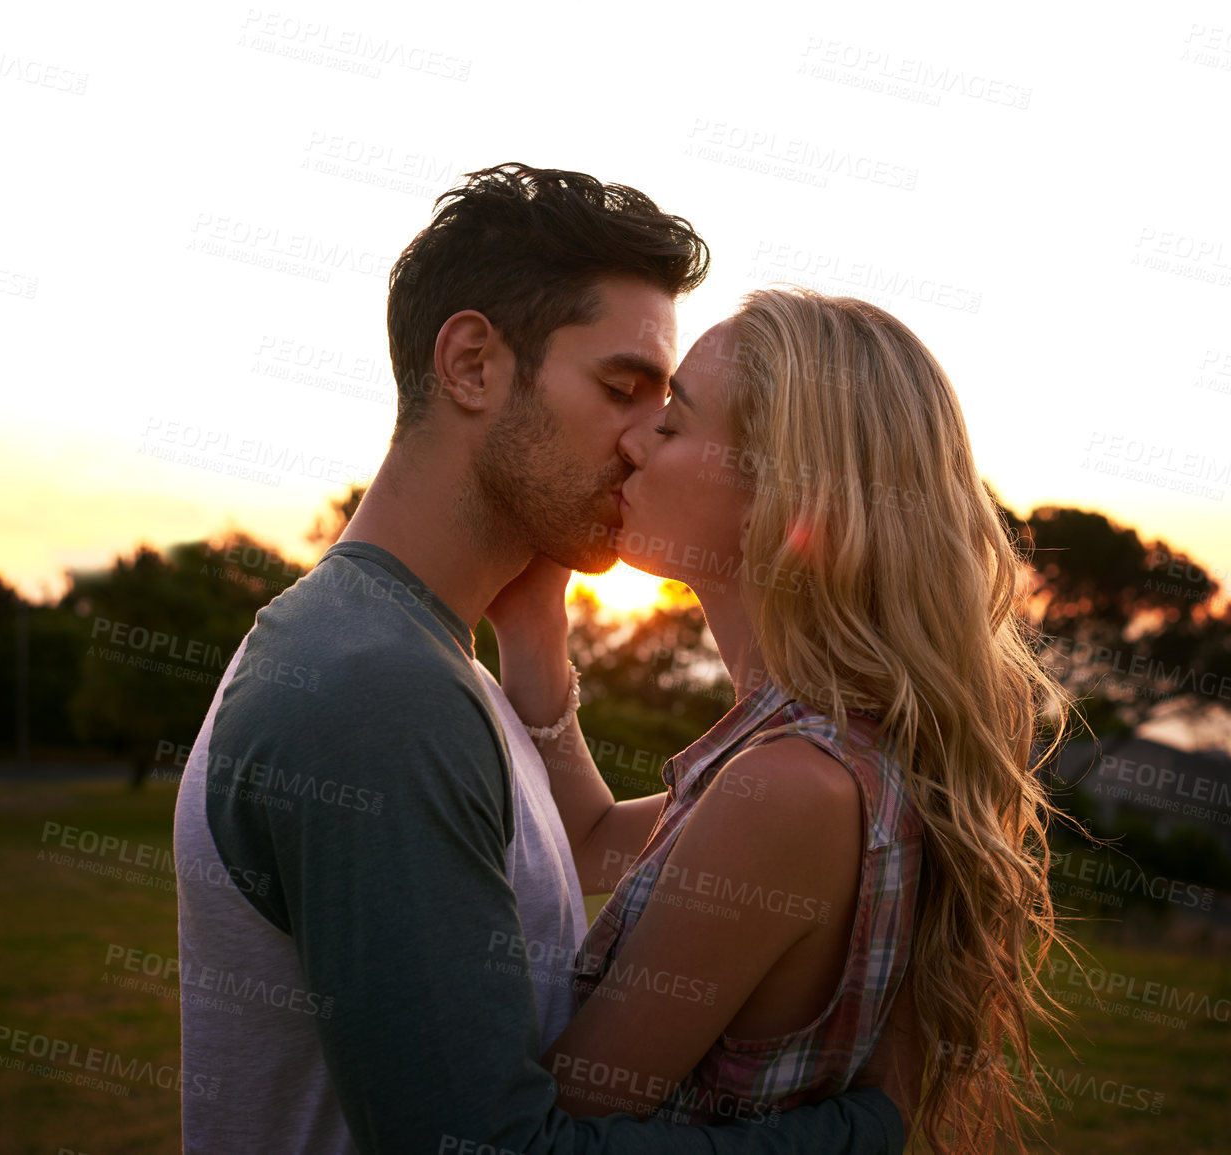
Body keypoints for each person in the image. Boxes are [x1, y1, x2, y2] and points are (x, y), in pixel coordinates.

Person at [172, 164, 913, 1154]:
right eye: (623, 388)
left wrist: (534, 638)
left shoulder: (436, 665)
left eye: (672, 409)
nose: (645, 437)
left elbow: (594, 836)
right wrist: (862, 1133)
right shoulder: (376, 692)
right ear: (475, 364)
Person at [487, 287, 1073, 1153]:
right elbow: (588, 838)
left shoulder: (787, 787)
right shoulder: (833, 755)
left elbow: (547, 1133)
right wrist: (534, 624)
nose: (631, 439)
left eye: (674, 424)